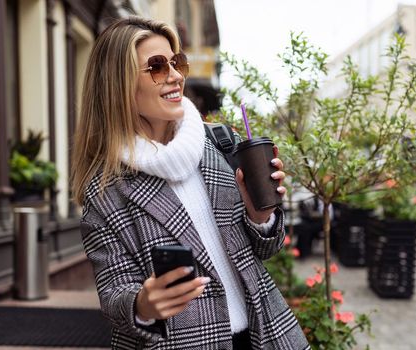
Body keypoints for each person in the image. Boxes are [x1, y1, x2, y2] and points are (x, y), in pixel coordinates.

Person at [71, 17, 309, 350]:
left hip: (264, 336)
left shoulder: (218, 144)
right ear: (119, 85)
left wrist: (261, 217)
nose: (175, 76)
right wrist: (144, 305)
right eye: (156, 67)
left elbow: (265, 250)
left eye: (176, 62)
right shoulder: (107, 192)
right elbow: (114, 294)